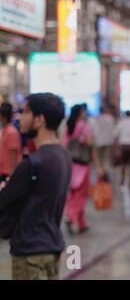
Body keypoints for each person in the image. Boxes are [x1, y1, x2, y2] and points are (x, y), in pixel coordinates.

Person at [0, 93, 72, 280]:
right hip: (51, 246)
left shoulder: (33, 162)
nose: (20, 117)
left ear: (39, 120)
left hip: (30, 252)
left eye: (25, 112)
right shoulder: (63, 155)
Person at [63, 104, 102, 235]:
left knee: (73, 193)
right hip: (83, 165)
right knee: (82, 194)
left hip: (71, 164)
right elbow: (91, 147)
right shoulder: (85, 127)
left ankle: (81, 223)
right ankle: (70, 216)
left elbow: (64, 145)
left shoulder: (68, 126)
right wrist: (97, 166)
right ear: (80, 113)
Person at [0, 103, 22, 182]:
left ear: (4, 117)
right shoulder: (5, 130)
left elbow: (14, 154)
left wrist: (12, 176)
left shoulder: (11, 132)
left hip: (8, 173)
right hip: (3, 171)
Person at [92, 105, 116, 177]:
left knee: (99, 159)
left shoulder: (95, 119)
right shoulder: (110, 118)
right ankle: (106, 172)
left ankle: (100, 173)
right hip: (108, 141)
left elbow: (94, 131)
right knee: (106, 158)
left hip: (98, 141)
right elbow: (113, 130)